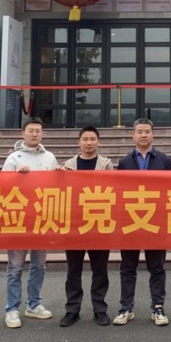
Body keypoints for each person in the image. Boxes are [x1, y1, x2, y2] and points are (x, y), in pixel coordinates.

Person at [114, 118, 171, 327]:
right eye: (139, 131)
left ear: (153, 135)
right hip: (130, 221)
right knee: (128, 266)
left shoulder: (164, 160)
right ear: (133, 135)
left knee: (156, 267)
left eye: (147, 131)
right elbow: (119, 191)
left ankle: (158, 307)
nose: (143, 135)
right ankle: (126, 307)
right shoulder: (124, 162)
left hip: (155, 221)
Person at [2, 117, 59, 329]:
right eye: (31, 131)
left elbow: (56, 186)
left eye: (38, 131)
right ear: (23, 133)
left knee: (39, 265)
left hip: (42, 218)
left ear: (42, 134)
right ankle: (12, 308)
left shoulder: (50, 157)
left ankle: (34, 304)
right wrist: (18, 177)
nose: (34, 134)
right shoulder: (13, 158)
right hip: (18, 218)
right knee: (15, 267)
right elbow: (1, 186)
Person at [60, 125, 114, 327]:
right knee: (73, 270)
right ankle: (72, 310)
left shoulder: (106, 165)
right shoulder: (68, 166)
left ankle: (100, 309)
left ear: (98, 142)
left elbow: (113, 190)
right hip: (75, 224)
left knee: (100, 270)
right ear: (79, 142)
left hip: (99, 223)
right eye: (85, 139)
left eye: (92, 139)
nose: (89, 143)